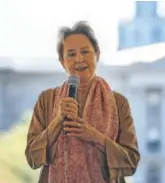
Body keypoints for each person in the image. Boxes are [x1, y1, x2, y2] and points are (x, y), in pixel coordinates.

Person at [25, 21, 140, 183]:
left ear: (97, 54)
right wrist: (57, 121)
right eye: (71, 54)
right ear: (62, 61)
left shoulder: (119, 103)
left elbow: (131, 162)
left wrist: (95, 136)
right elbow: (32, 158)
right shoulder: (47, 100)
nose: (79, 59)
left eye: (85, 52)